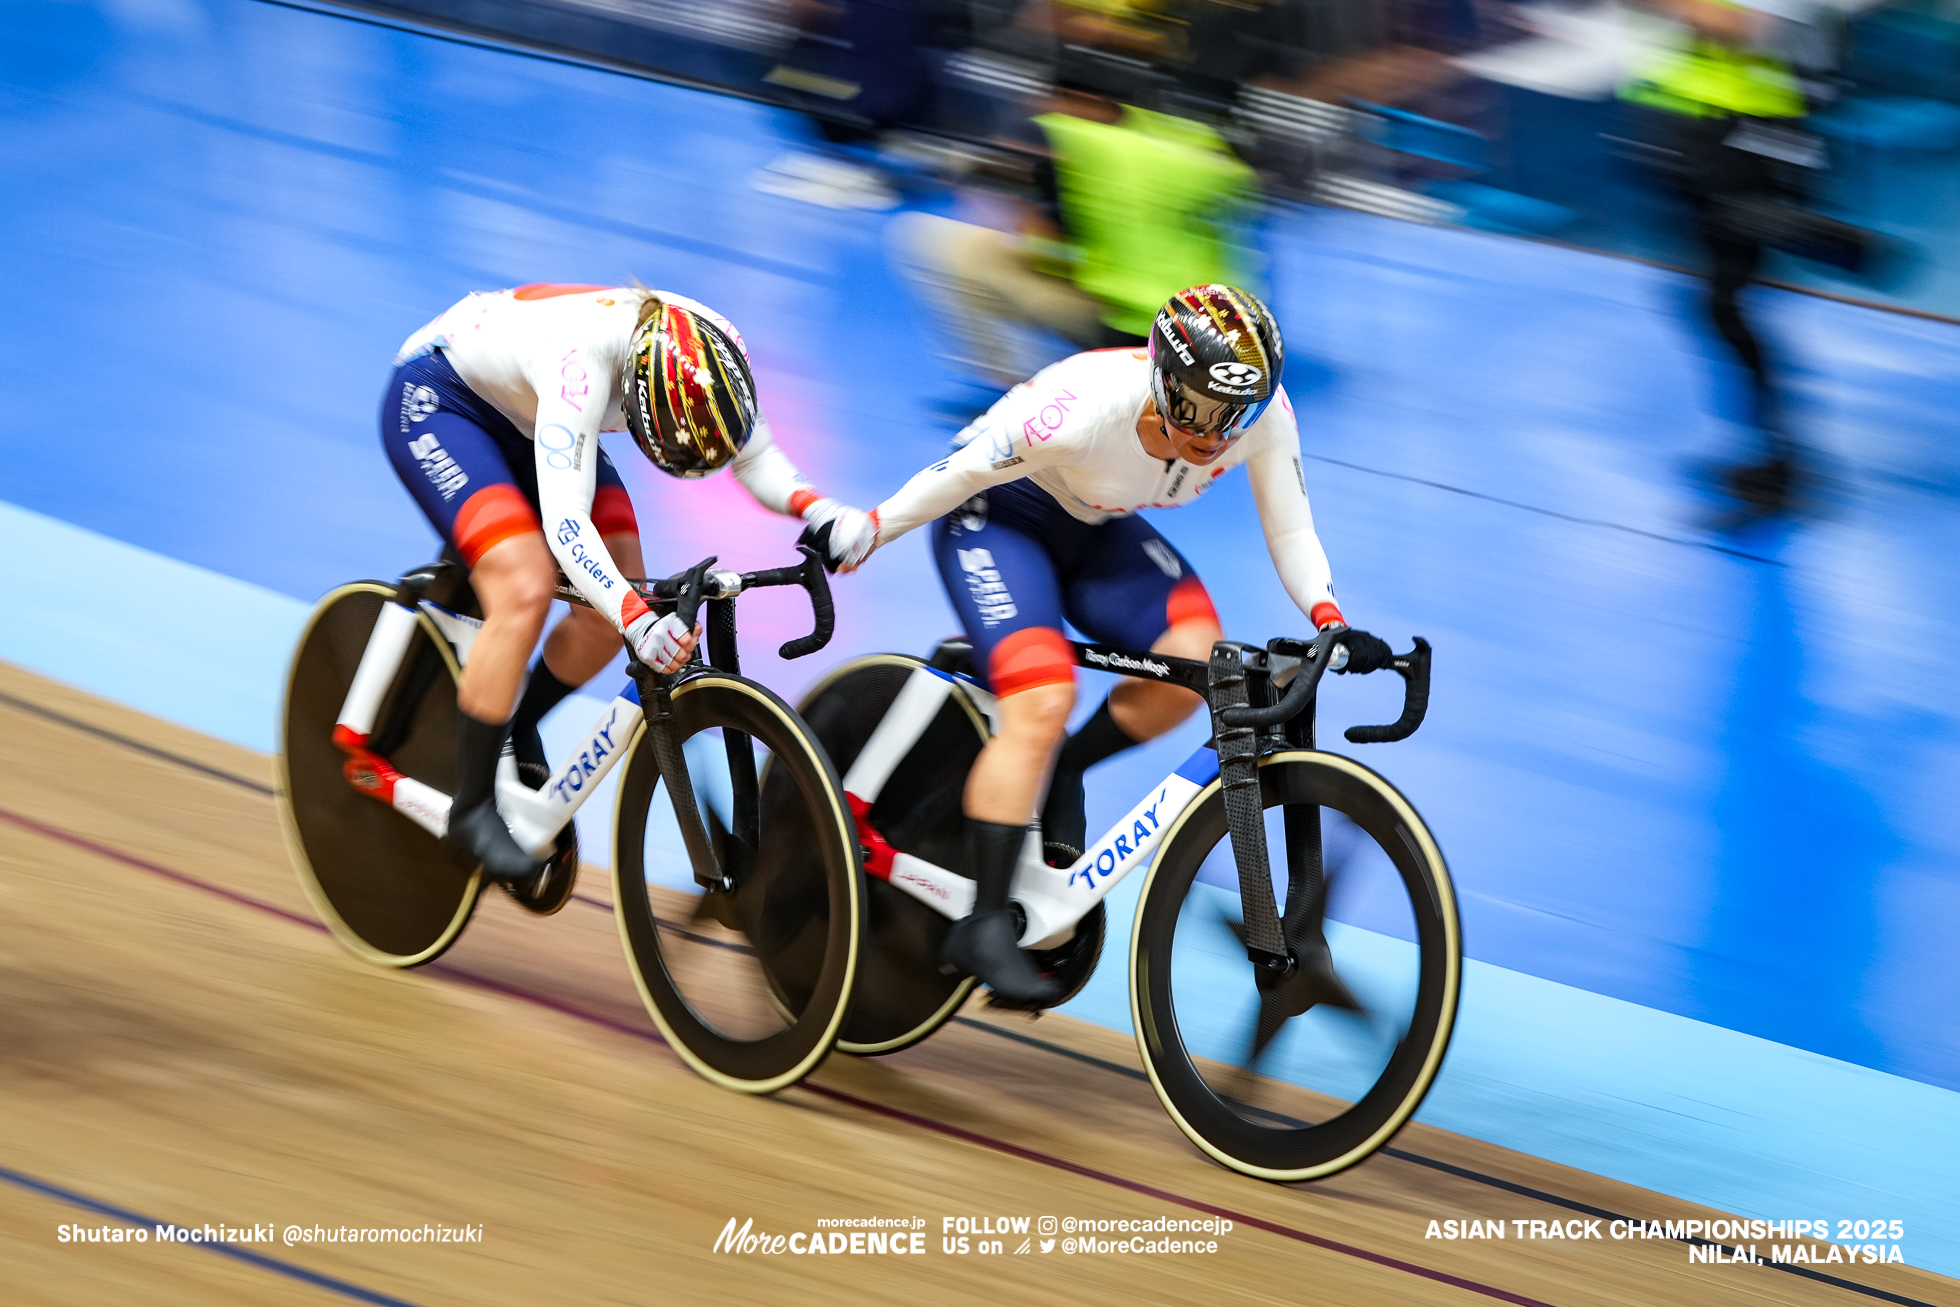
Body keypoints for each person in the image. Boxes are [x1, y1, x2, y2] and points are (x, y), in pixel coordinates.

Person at [815, 284, 1392, 1004]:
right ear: (1163, 382)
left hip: (1092, 522)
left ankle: (1065, 767)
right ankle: (984, 921)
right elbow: (959, 473)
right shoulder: (1085, 408)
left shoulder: (1262, 412)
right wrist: (868, 527)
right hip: (995, 515)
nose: (1215, 434)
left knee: (1197, 657)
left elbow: (1291, 528)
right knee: (1043, 695)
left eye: (1232, 415)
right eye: (1199, 410)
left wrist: (1327, 616)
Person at [382, 283, 873, 881]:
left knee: (605, 610)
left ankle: (513, 724)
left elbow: (754, 456)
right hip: (446, 401)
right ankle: (473, 810)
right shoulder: (579, 368)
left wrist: (819, 508)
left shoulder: (714, 353)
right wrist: (637, 617)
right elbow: (565, 525)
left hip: (534, 413)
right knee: (527, 586)